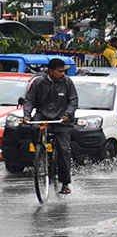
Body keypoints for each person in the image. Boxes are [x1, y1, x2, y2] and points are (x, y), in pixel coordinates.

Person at [21, 58, 77, 194]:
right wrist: (27, 115)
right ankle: (40, 153)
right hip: (43, 115)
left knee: (63, 150)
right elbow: (29, 100)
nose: (63, 74)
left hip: (61, 120)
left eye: (64, 71)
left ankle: (65, 183)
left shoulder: (67, 82)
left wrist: (67, 115)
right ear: (50, 71)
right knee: (33, 127)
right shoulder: (39, 82)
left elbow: (73, 101)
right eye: (60, 71)